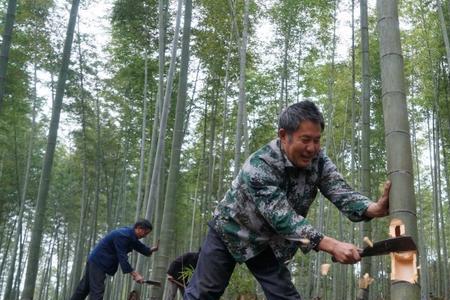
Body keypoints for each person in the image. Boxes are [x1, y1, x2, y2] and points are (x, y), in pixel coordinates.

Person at [184, 100, 391, 300]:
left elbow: (339, 190)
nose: (311, 148)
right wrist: (332, 245)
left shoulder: (318, 161)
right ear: (284, 136)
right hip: (230, 230)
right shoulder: (260, 166)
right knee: (204, 292)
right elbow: (283, 218)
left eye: (317, 140)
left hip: (267, 242)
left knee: (285, 296)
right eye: (305, 139)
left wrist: (372, 208)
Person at [70, 219, 159, 300]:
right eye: (145, 233)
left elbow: (139, 246)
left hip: (96, 260)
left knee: (83, 288)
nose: (145, 236)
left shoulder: (130, 235)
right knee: (97, 291)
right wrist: (135, 274)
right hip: (99, 262)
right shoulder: (123, 235)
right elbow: (122, 257)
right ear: (139, 228)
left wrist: (151, 250)